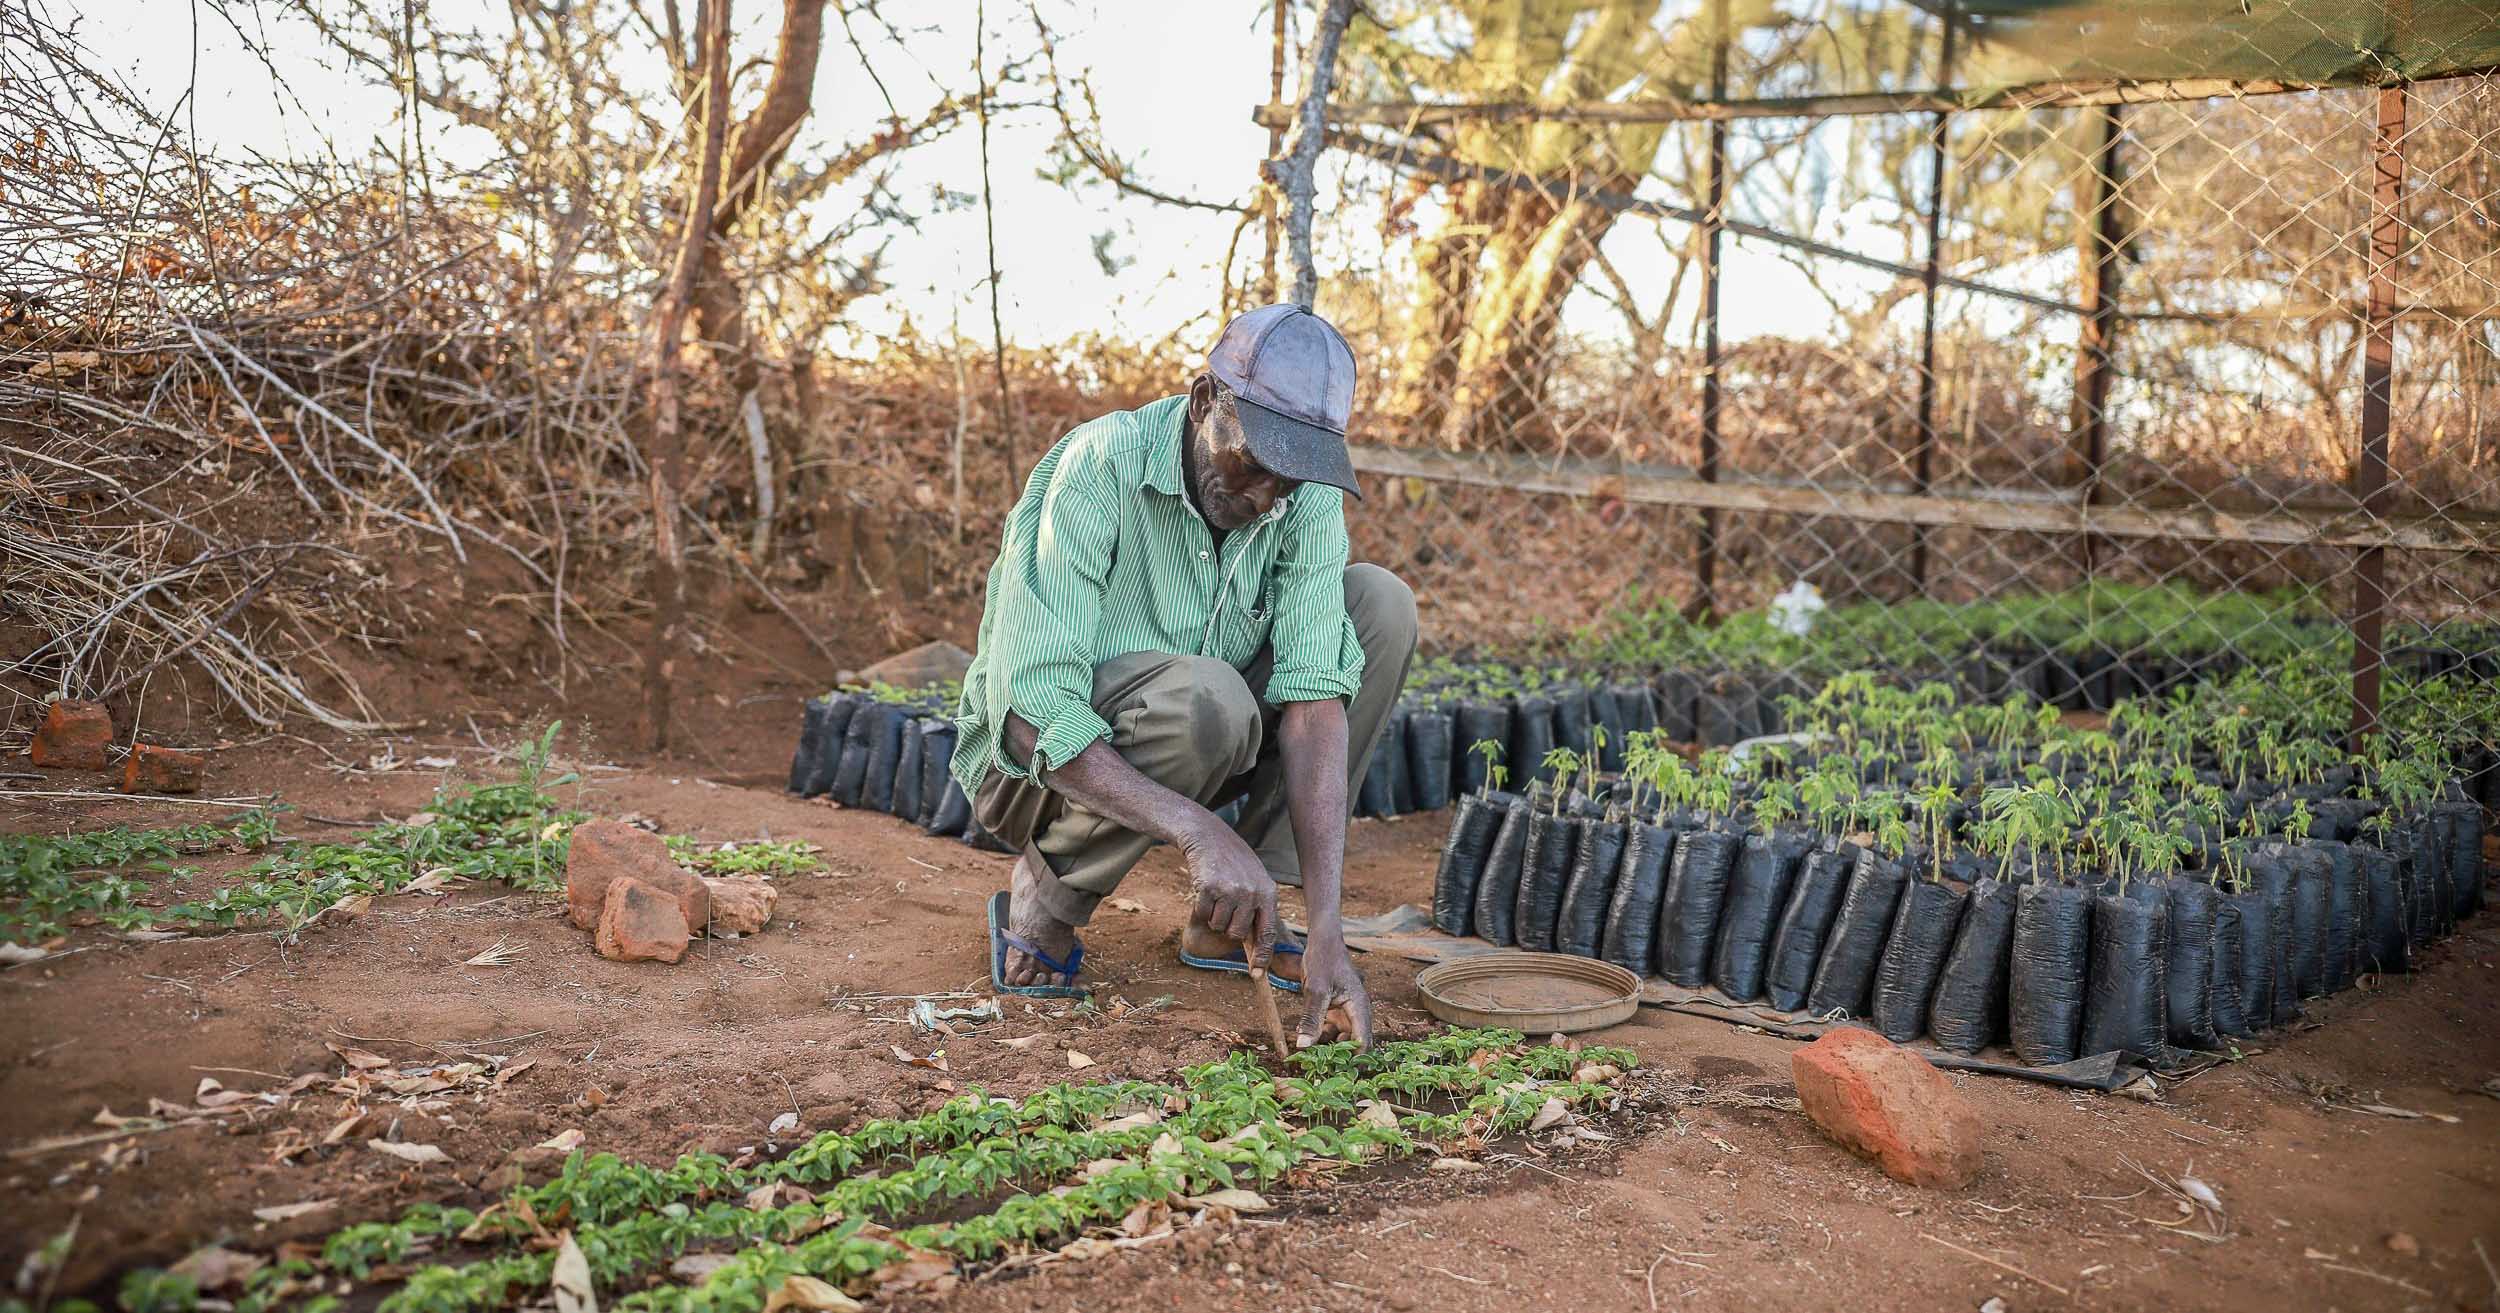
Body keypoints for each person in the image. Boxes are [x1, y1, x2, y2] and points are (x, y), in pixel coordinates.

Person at [949, 303, 1415, 1049]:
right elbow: (1031, 712)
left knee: (1380, 606)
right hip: (1035, 776)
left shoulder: (1300, 496)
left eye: (1290, 478)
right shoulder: (1099, 468)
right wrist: (1199, 832)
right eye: (1255, 462)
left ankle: (1234, 918)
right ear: (1206, 402)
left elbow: (1312, 700)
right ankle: (1049, 896)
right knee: (1209, 700)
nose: (1267, 496)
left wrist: (1329, 929)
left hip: (1202, 734)